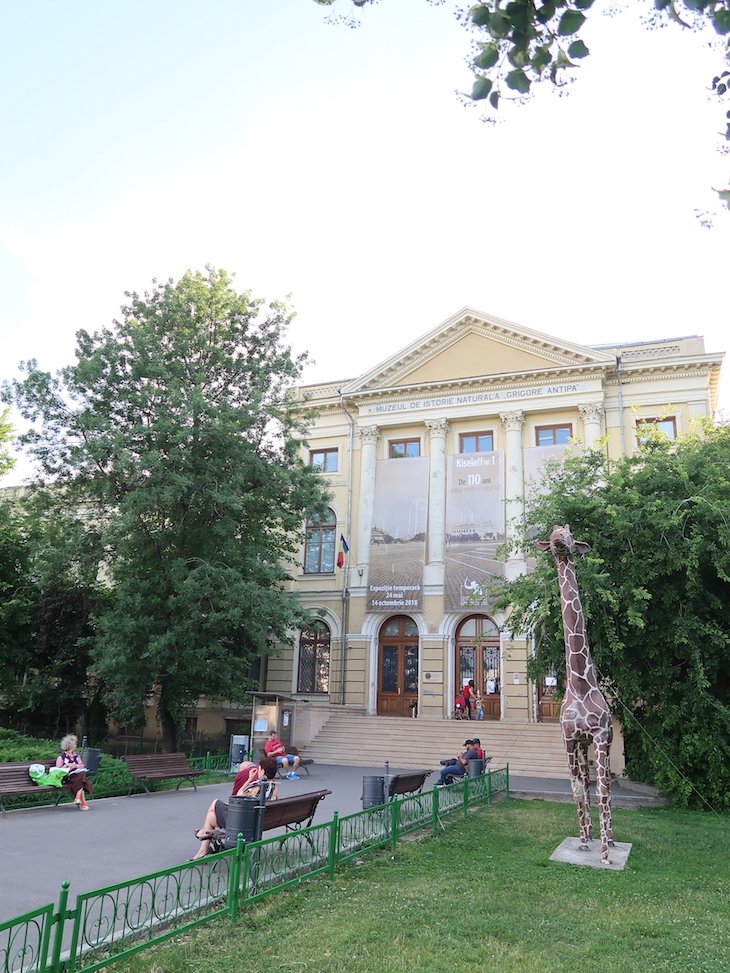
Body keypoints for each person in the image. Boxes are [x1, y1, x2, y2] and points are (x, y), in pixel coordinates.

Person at [191, 757, 278, 860]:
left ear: (262, 771)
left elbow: (238, 795)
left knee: (215, 802)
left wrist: (250, 779)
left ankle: (203, 833)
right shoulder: (274, 788)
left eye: (259, 769)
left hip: (242, 825)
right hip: (257, 823)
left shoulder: (257, 786)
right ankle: (203, 850)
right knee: (210, 817)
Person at [56, 734, 92, 810]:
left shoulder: (76, 756)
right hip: (67, 777)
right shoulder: (61, 757)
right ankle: (81, 801)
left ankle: (79, 799)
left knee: (81, 776)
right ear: (70, 745)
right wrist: (67, 766)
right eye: (75, 744)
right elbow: (58, 770)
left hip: (77, 776)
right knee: (82, 778)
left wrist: (75, 765)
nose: (76, 745)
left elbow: (82, 766)